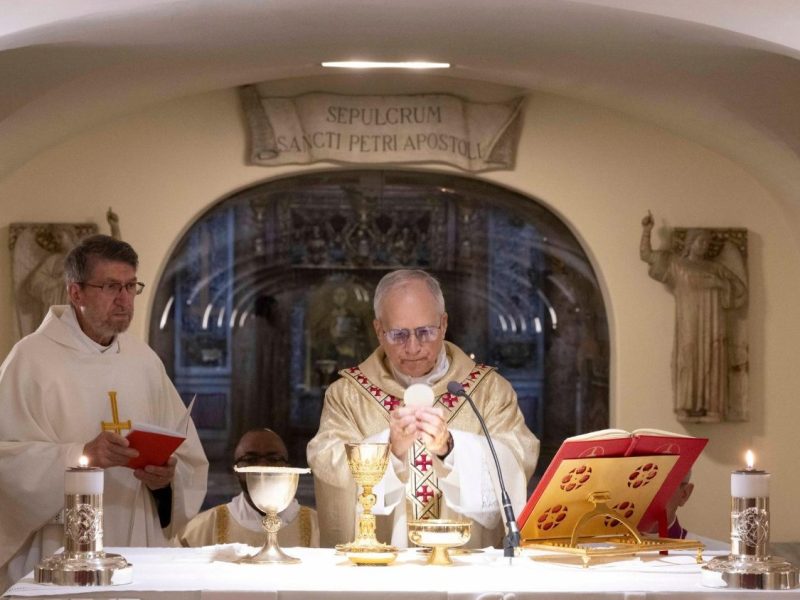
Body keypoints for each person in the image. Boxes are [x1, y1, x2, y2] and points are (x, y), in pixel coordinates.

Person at [0, 234, 208, 589]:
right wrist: (81, 455)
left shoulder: (143, 361)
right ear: (75, 292)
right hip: (59, 546)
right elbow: (7, 462)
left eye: (130, 286)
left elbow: (188, 458)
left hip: (136, 537)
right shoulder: (31, 360)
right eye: (111, 286)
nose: (124, 299)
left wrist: (165, 481)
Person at [307, 269, 539, 548]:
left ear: (443, 324)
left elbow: (518, 456)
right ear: (379, 331)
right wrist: (390, 449)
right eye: (398, 334)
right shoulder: (347, 396)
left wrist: (450, 448)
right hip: (382, 565)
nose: (413, 347)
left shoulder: (489, 391)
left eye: (425, 332)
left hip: (464, 564)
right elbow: (328, 463)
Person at [640, 212, 748, 422]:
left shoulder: (715, 268)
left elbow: (739, 290)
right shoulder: (676, 264)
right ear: (690, 243)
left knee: (713, 357)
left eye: (707, 243)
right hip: (689, 320)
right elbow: (647, 255)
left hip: (714, 322)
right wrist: (646, 231)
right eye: (700, 241)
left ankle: (714, 408)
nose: (704, 246)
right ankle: (686, 406)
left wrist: (721, 284)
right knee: (688, 355)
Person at [178, 429, 319, 547]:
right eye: (250, 460)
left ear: (288, 468)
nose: (262, 467)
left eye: (274, 459)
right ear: (235, 470)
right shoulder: (202, 529)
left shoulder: (317, 527)